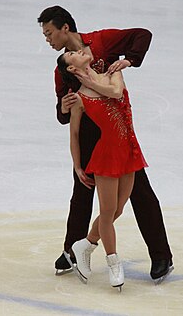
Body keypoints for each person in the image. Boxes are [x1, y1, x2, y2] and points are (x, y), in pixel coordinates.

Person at [37, 5, 173, 283]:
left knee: (141, 193)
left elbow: (141, 35)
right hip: (89, 134)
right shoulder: (62, 67)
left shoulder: (101, 41)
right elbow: (63, 113)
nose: (48, 39)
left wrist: (129, 61)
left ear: (65, 28)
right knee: (83, 191)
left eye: (50, 33)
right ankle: (73, 251)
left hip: (118, 130)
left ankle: (161, 256)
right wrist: (63, 107)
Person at [57, 49, 148, 289]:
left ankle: (85, 244)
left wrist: (89, 80)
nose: (79, 51)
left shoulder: (112, 72)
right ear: (71, 69)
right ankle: (113, 262)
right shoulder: (78, 98)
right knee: (107, 212)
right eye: (73, 55)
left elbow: (116, 93)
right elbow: (74, 134)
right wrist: (77, 165)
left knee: (118, 210)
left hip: (129, 151)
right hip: (106, 156)